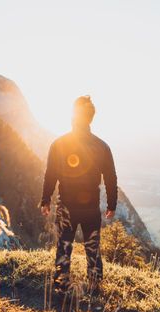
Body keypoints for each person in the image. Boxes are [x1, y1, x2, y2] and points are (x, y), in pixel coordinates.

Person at [41, 95, 117, 296]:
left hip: (66, 207)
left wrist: (45, 199)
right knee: (92, 249)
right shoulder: (102, 146)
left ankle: (61, 287)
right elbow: (111, 178)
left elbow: (51, 174)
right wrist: (112, 204)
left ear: (73, 117)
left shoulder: (59, 144)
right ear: (91, 118)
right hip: (91, 208)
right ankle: (94, 287)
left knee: (64, 247)